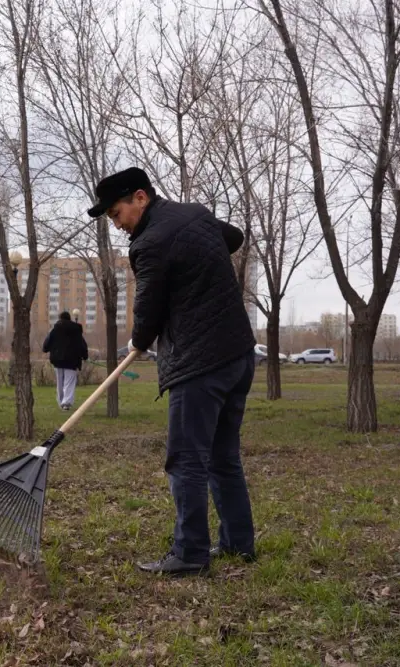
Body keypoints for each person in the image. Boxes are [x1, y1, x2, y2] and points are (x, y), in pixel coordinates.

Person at [88, 166, 256, 577]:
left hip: (199, 363)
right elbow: (232, 237)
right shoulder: (196, 214)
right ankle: (238, 543)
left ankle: (190, 553)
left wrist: (138, 341)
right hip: (238, 354)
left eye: (117, 214)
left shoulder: (149, 243)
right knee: (222, 456)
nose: (119, 225)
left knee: (186, 460)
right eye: (111, 218)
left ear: (140, 198)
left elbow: (147, 310)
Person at [42, 311, 88, 411]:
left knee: (60, 382)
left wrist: (46, 349)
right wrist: (85, 356)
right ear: (69, 318)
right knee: (69, 381)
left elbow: (47, 343)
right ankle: (66, 403)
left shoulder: (55, 329)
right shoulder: (76, 330)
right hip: (72, 360)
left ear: (60, 318)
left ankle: (61, 401)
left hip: (57, 359)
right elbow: (82, 344)